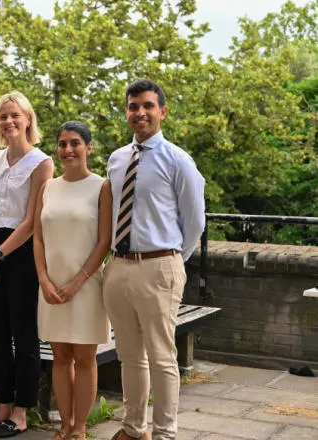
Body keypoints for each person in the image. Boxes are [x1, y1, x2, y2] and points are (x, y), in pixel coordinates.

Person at [104, 79, 205, 440]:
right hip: (118, 267)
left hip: (159, 267)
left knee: (162, 357)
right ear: (127, 112)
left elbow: (195, 221)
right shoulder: (117, 159)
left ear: (162, 111)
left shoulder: (178, 160)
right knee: (129, 356)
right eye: (133, 106)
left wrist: (171, 260)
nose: (140, 113)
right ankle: (134, 428)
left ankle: (165, 433)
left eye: (147, 105)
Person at [0, 92, 53, 439]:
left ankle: (21, 412)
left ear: (28, 119)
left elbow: (32, 221)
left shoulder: (42, 162)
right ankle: (2, 407)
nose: (9, 122)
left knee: (24, 335)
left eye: (15, 115)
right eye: (3, 116)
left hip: (19, 254)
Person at [33, 121, 112, 440]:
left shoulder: (102, 186)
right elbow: (37, 238)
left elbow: (104, 241)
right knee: (60, 357)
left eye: (75, 143)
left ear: (89, 148)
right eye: (62, 143)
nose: (68, 149)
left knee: (84, 358)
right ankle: (64, 423)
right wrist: (43, 279)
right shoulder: (47, 187)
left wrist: (78, 281)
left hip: (87, 285)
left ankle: (79, 428)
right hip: (50, 286)